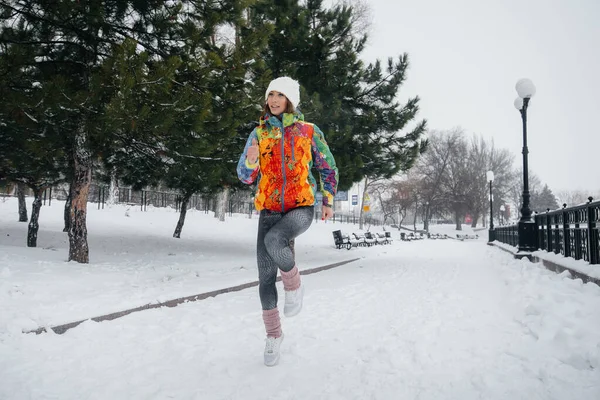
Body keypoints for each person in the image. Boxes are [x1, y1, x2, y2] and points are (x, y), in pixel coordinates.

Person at [237, 76, 338, 366]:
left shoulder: (308, 131)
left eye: (280, 95)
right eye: (271, 95)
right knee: (265, 278)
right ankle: (273, 336)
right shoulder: (259, 133)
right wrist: (251, 161)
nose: (274, 100)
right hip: (269, 209)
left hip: (300, 206)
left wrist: (328, 199)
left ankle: (294, 285)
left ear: (290, 99)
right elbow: (245, 177)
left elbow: (327, 166)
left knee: (274, 241)